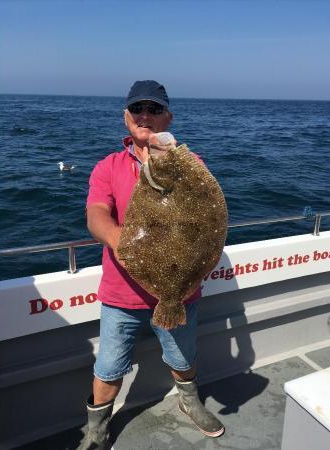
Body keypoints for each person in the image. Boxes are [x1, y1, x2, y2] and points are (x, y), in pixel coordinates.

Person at [80, 80, 225, 449]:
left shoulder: (192, 165)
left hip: (180, 291)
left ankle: (189, 400)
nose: (146, 115)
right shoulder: (108, 166)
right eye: (138, 109)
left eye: (155, 109)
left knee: (182, 358)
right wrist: (118, 240)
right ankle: (96, 429)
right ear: (126, 117)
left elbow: (208, 221)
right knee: (109, 369)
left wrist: (167, 156)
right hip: (120, 294)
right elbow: (96, 214)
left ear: (168, 117)